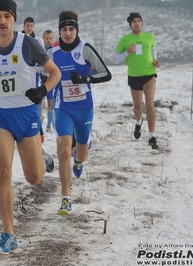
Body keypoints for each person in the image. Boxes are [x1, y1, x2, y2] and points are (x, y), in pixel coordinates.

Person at [0, 0, 61, 254]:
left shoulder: (28, 44)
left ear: (14, 19)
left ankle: (40, 154)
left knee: (34, 178)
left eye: (7, 16)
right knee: (3, 171)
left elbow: (55, 73)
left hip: (27, 115)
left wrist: (42, 90)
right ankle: (9, 233)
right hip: (0, 117)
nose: (2, 21)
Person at [44, 11, 111, 215]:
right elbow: (38, 72)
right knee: (63, 150)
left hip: (84, 108)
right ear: (59, 31)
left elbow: (105, 74)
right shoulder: (52, 52)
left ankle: (79, 157)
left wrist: (85, 79)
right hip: (62, 108)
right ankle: (66, 198)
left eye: (71, 29)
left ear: (76, 30)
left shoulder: (85, 49)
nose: (67, 33)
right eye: (64, 29)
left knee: (81, 153)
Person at [113, 12, 160, 150]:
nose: (137, 23)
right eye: (134, 21)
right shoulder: (125, 40)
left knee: (150, 103)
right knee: (138, 107)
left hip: (149, 74)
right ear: (130, 25)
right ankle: (139, 122)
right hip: (134, 76)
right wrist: (127, 52)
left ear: (142, 23)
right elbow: (115, 59)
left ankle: (152, 136)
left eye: (139, 21)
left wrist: (155, 60)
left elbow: (153, 49)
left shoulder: (149, 36)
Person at [21, 17, 46, 125]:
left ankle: (39, 117)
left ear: (34, 27)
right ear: (24, 26)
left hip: (35, 72)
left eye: (31, 26)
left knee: (36, 94)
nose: (29, 28)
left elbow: (43, 56)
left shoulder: (39, 40)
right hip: (22, 72)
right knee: (23, 94)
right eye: (27, 26)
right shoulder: (19, 38)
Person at [41, 29, 54, 132]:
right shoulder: (39, 50)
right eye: (47, 38)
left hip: (50, 80)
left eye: (51, 38)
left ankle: (49, 126)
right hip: (40, 80)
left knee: (51, 104)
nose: (49, 40)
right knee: (39, 105)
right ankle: (39, 126)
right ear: (43, 38)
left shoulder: (54, 51)